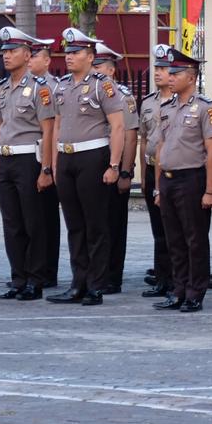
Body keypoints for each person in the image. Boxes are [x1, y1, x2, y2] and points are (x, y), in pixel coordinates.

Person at [47, 29, 125, 306]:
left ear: (90, 57)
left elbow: (118, 126)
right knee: (75, 225)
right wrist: (55, 163)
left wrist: (114, 164)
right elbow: (57, 125)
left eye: (76, 52)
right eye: (67, 52)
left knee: (95, 225)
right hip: (66, 158)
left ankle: (96, 284)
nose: (69, 57)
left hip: (93, 156)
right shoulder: (62, 86)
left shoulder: (102, 85)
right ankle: (77, 283)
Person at [153, 48, 212, 313]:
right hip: (168, 180)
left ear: (191, 77)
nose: (170, 77)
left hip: (192, 178)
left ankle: (195, 292)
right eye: (169, 72)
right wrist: (158, 186)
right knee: (174, 240)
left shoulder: (206, 108)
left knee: (195, 240)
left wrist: (211, 189)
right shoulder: (167, 108)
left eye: (176, 73)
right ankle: (178, 290)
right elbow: (161, 147)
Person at [0, 28, 56, 301]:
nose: (6, 56)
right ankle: (18, 278)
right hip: (6, 158)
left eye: (13, 51)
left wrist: (46, 169)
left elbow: (49, 130)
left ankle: (36, 279)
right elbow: (0, 127)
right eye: (5, 51)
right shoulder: (2, 90)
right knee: (12, 223)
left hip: (30, 159)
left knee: (34, 222)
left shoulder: (40, 89)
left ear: (28, 55)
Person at [91, 43, 138, 294]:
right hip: (91, 165)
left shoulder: (122, 96)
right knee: (92, 222)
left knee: (112, 223)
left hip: (114, 164)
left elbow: (130, 137)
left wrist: (125, 172)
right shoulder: (88, 91)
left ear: (111, 70)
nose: (94, 71)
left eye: (98, 67)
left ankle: (111, 276)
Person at [139, 45, 174, 298]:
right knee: (158, 230)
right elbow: (143, 140)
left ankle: (175, 278)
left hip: (174, 171)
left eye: (163, 68)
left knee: (173, 228)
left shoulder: (183, 101)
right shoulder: (148, 102)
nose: (158, 73)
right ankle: (162, 278)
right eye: (157, 68)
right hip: (152, 168)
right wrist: (143, 175)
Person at [28, 39, 62, 288]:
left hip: (46, 159)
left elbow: (53, 130)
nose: (30, 60)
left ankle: (48, 270)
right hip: (25, 158)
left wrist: (49, 167)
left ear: (47, 60)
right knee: (27, 218)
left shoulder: (54, 87)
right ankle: (29, 269)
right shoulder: (18, 86)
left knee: (46, 218)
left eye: (34, 56)